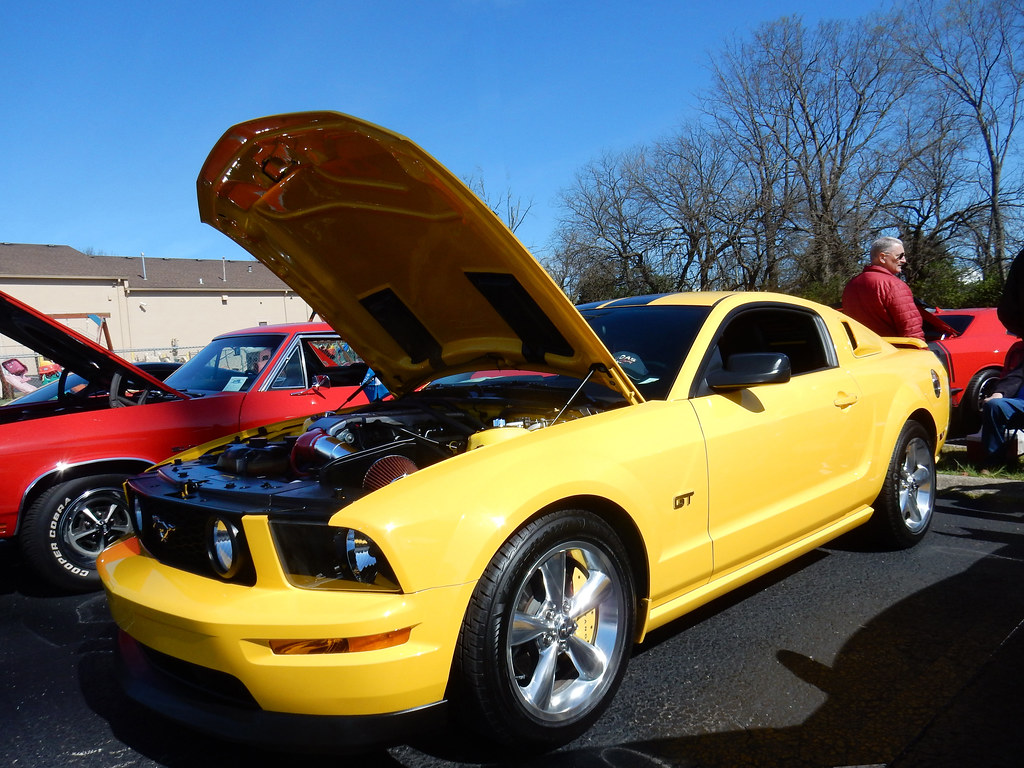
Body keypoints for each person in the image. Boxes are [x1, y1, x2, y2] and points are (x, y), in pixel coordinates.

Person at [842, 236, 924, 340]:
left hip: (860, 352)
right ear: (882, 257)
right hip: (892, 351)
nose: (904, 260)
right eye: (900, 256)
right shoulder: (894, 285)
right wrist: (920, 352)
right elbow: (911, 330)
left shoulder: (851, 285)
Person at [979, 339, 1024, 464]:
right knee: (994, 405)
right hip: (1020, 403)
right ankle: (993, 460)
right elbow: (1016, 376)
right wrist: (999, 393)